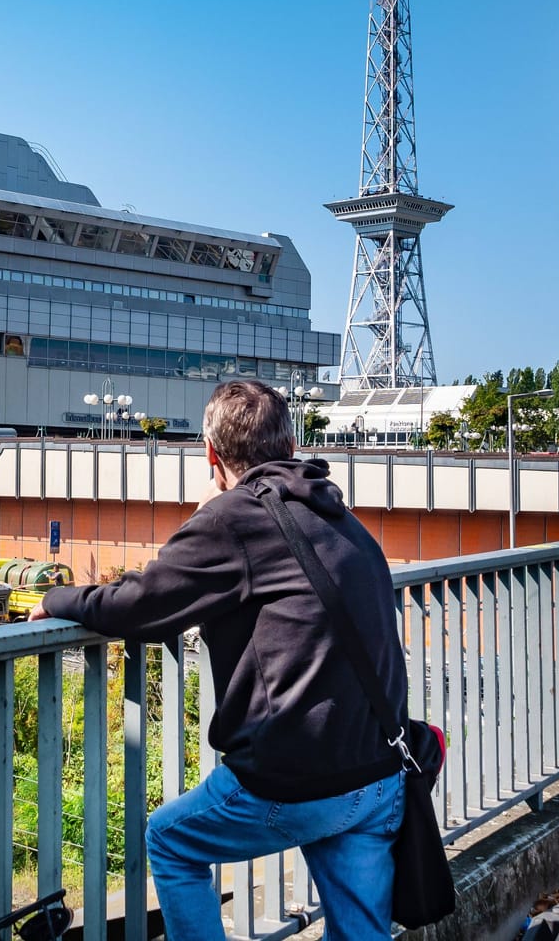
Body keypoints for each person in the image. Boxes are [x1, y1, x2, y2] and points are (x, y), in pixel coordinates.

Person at [31, 380, 410, 941]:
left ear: (211, 454)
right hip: (379, 773)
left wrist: (55, 597)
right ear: (289, 442)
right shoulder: (334, 510)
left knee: (170, 838)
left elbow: (141, 603)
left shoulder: (234, 519)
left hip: (298, 781)